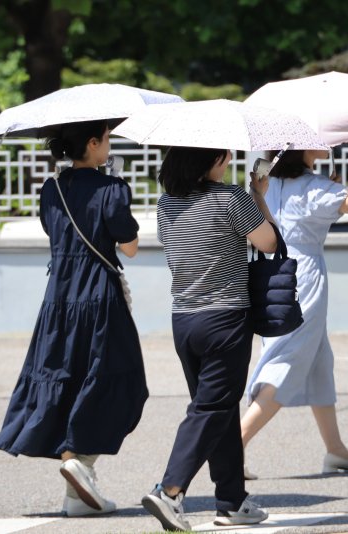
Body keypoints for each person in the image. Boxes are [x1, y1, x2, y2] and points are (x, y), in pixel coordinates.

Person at [0, 119, 148, 517]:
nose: (110, 145)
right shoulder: (113, 189)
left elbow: (54, 231)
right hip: (99, 296)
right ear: (93, 144)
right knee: (118, 377)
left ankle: (76, 496)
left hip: (59, 297)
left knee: (66, 374)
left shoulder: (52, 188)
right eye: (107, 139)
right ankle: (82, 461)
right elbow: (128, 246)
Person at [142, 146, 277, 532]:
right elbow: (268, 243)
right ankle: (170, 490)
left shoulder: (166, 204)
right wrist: (259, 198)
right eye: (226, 157)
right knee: (210, 409)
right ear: (211, 161)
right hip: (225, 319)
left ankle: (232, 500)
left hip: (183, 320)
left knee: (217, 408)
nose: (230, 163)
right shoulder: (231, 197)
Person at [241, 131, 348, 477]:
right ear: (300, 146)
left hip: (277, 271)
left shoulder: (271, 180)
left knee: (318, 361)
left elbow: (290, 207)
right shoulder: (312, 186)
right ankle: (234, 443)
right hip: (303, 278)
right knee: (286, 362)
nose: (329, 142)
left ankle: (335, 450)